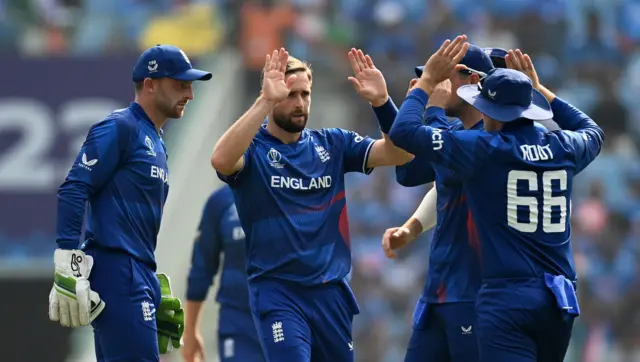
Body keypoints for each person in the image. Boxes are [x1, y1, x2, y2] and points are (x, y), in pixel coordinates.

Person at [388, 35, 604, 362]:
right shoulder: (564, 147)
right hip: (559, 298)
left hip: (507, 297)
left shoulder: (486, 150)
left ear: (493, 110)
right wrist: (540, 89)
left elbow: (405, 133)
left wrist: (428, 89)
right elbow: (592, 130)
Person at [210, 48, 412, 361]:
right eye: (291, 95)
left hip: (331, 293)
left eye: (306, 94)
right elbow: (221, 160)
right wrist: (264, 100)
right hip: (279, 293)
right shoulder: (254, 150)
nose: (300, 103)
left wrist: (382, 103)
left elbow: (401, 154)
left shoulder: (333, 144)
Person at [49, 44, 212, 361]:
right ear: (150, 85)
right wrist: (67, 256)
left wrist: (151, 280)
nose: (190, 94)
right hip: (117, 270)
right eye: (180, 84)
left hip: (137, 271)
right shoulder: (121, 126)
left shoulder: (156, 140)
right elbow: (75, 186)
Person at [350, 44, 496, 362]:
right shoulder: (457, 132)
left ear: (473, 80)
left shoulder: (491, 138)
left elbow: (440, 150)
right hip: (439, 292)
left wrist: (433, 109)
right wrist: (382, 104)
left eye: (442, 75)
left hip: (474, 294)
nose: (431, 83)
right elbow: (410, 167)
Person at [183, 185, 264, 362]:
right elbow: (200, 270)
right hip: (238, 325)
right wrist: (190, 331)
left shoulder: (292, 189)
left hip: (291, 320)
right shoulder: (220, 202)